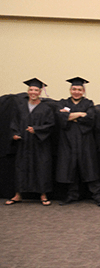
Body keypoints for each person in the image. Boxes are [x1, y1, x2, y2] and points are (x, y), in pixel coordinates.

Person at [56, 77, 100, 206]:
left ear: (83, 91)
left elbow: (90, 118)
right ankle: (72, 195)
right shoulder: (63, 102)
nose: (76, 92)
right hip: (67, 141)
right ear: (70, 90)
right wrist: (80, 114)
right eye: (74, 89)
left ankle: (98, 196)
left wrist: (70, 116)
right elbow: (60, 118)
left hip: (85, 141)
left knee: (89, 168)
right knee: (70, 168)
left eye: (79, 89)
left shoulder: (89, 103)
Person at [5, 78, 55, 206]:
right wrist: (14, 134)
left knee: (42, 168)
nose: (33, 92)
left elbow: (50, 125)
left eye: (36, 90)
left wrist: (37, 130)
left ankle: (43, 195)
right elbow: (14, 122)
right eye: (31, 90)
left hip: (40, 144)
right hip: (24, 143)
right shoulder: (20, 106)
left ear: (40, 92)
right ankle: (18, 195)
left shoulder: (46, 108)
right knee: (21, 168)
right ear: (28, 91)